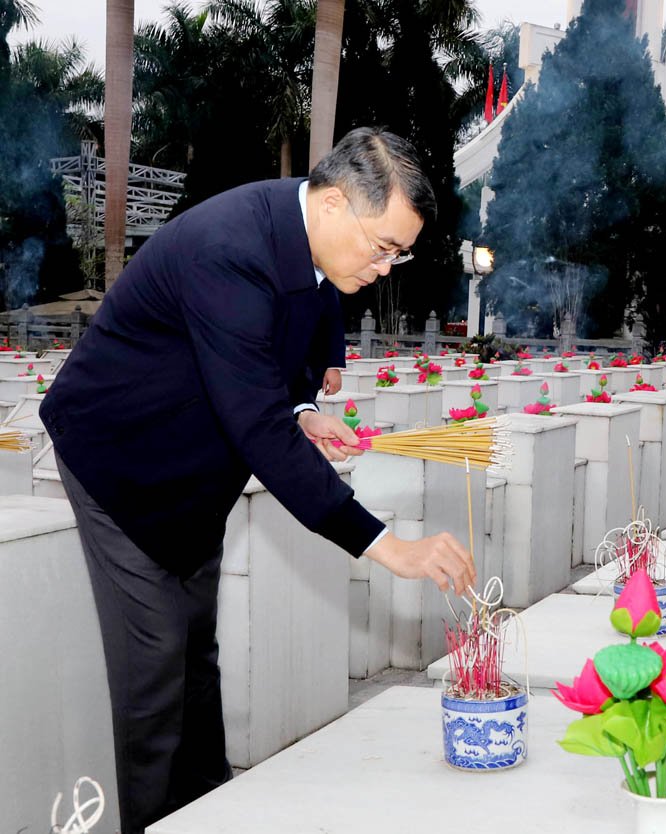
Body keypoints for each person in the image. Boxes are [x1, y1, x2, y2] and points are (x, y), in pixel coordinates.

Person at [40, 127, 475, 834]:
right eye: (383, 246)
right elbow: (256, 426)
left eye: (400, 252)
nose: (387, 266)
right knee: (154, 671)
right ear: (335, 205)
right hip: (121, 464)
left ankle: (210, 812)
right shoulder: (231, 249)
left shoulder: (310, 247)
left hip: (192, 470)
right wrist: (386, 545)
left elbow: (288, 352)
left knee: (196, 661)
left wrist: (302, 406)